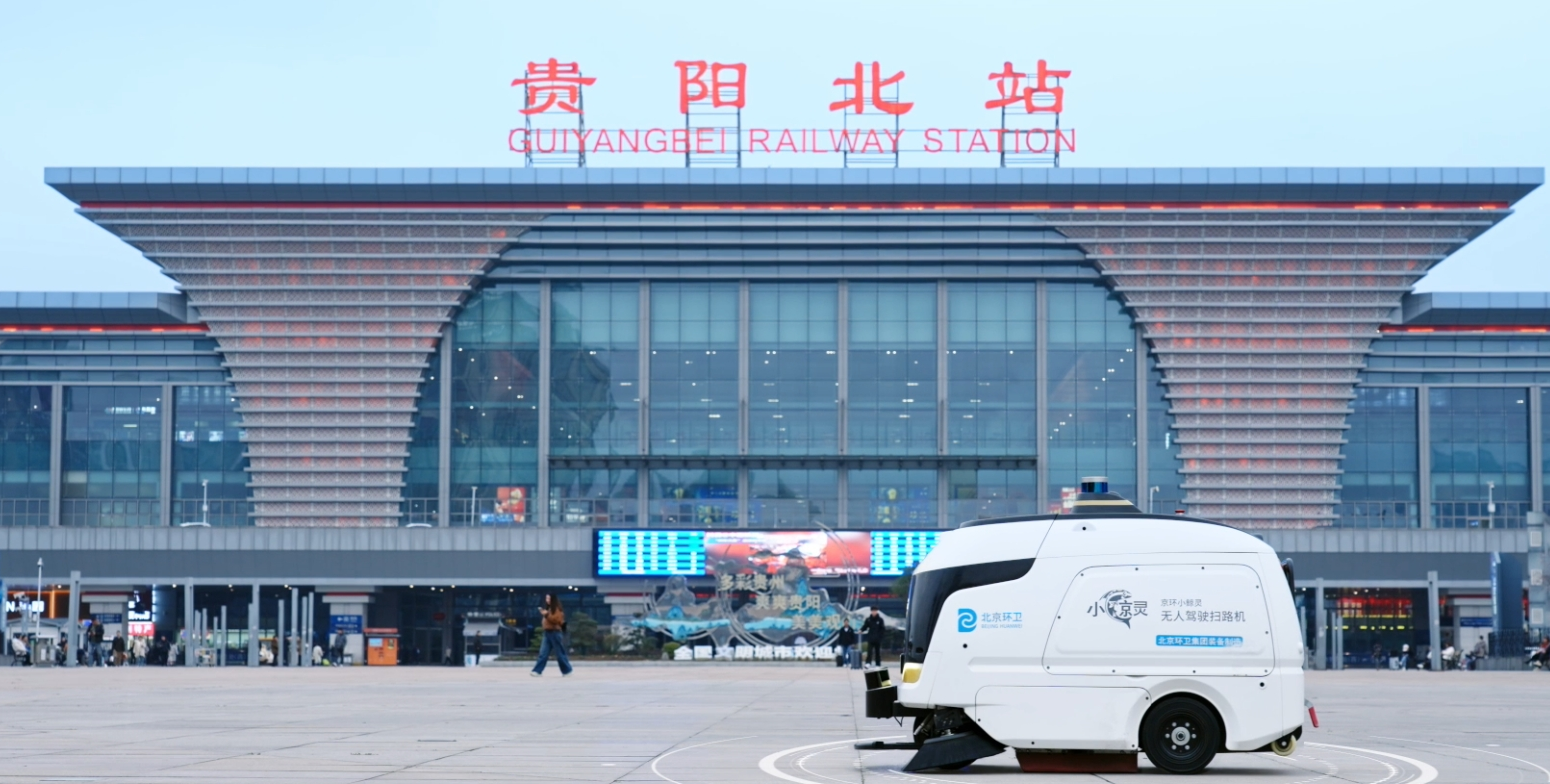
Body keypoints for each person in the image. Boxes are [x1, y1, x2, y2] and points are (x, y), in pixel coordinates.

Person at [530, 594, 572, 677]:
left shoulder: (556, 609)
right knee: (543, 653)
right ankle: (537, 671)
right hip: (547, 633)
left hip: (555, 633)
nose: (547, 600)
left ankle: (567, 671)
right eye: (546, 598)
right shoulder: (549, 609)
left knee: (559, 654)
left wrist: (546, 615)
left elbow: (556, 620)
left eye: (549, 598)